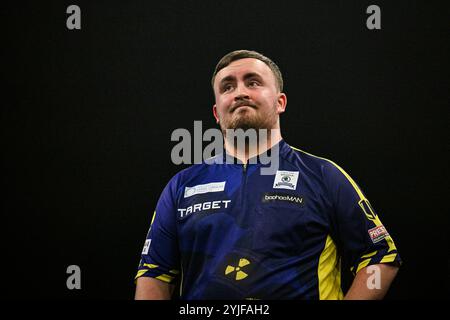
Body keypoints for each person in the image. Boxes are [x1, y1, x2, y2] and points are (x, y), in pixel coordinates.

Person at [134, 50, 401, 300]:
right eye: (227, 87)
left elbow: (380, 257)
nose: (239, 92)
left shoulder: (324, 175)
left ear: (280, 101)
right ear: (216, 112)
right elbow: (154, 274)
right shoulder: (182, 186)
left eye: (253, 83)